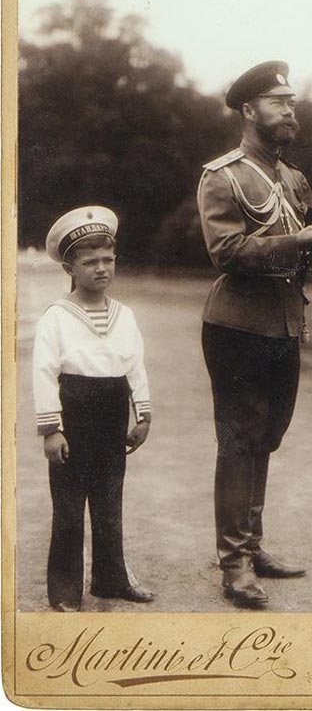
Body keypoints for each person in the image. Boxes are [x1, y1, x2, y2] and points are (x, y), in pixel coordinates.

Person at [197, 60, 312, 607]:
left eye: (293, 102)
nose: (290, 110)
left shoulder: (293, 177)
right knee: (239, 440)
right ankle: (234, 566)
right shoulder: (222, 174)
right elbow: (225, 251)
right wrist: (297, 243)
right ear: (250, 110)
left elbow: (305, 253)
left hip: (284, 322)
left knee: (268, 437)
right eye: (279, 102)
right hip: (237, 325)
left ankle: (251, 546)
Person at [32, 206, 154, 611]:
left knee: (108, 499)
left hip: (113, 410)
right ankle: (65, 591)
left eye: (108, 260)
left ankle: (110, 578)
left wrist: (143, 413)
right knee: (68, 505)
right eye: (90, 262)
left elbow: (135, 365)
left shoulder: (124, 315)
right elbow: (45, 372)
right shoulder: (57, 317)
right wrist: (51, 429)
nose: (101, 269)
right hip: (74, 411)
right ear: (70, 267)